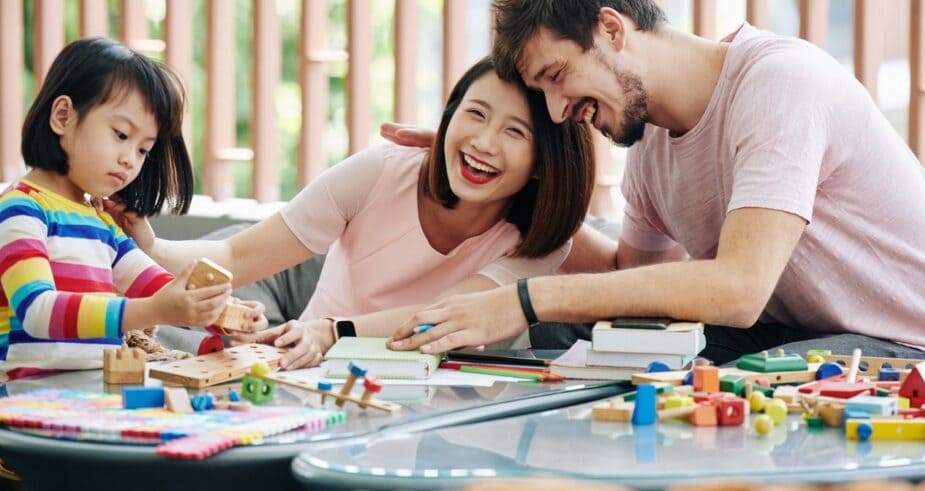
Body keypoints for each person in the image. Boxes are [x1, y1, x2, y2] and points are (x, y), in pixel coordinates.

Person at [389, 0, 925, 385]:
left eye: (557, 78)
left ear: (611, 29)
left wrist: (522, 300)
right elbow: (630, 285)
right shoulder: (653, 154)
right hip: (802, 344)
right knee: (576, 344)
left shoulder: (778, 85)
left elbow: (738, 290)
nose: (558, 110)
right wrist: (505, 186)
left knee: (709, 388)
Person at [111, 56, 595, 370]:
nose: (483, 142)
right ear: (448, 116)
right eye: (475, 114)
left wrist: (333, 331)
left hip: (446, 403)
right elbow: (237, 255)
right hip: (315, 375)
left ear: (541, 165)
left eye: (515, 132)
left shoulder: (541, 244)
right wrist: (150, 246)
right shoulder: (380, 172)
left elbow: (440, 318)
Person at [0, 38, 242, 380]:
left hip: (93, 389)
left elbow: (159, 288)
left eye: (144, 150)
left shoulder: (101, 222)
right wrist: (149, 311)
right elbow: (37, 310)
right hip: (25, 397)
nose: (130, 159)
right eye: (121, 134)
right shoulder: (21, 208)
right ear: (63, 116)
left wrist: (225, 315)